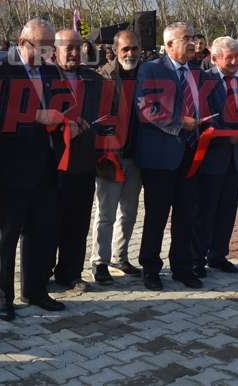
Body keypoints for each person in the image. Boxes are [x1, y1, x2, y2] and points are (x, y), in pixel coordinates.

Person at [0, 19, 66, 321]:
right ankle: (2, 297)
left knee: (41, 231)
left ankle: (36, 289)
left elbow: (60, 103)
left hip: (43, 163)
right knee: (5, 236)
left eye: (49, 47)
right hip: (9, 165)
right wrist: (38, 115)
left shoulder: (49, 69)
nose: (45, 53)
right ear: (21, 42)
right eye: (39, 46)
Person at [135, 22, 203, 290]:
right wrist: (179, 122)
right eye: (186, 39)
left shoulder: (197, 72)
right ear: (170, 44)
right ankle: (150, 268)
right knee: (157, 216)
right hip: (160, 156)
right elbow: (146, 110)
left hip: (191, 153)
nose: (192, 43)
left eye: (193, 38)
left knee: (187, 214)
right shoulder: (151, 70)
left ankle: (182, 267)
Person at [91, 30, 144, 284]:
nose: (130, 53)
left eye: (134, 48)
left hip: (137, 155)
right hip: (110, 155)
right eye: (125, 49)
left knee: (130, 212)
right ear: (115, 50)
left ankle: (119, 257)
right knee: (106, 212)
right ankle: (99, 261)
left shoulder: (148, 74)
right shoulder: (103, 77)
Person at [49, 29, 101, 290]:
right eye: (68, 47)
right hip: (52, 163)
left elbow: (109, 116)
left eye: (77, 47)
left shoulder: (94, 80)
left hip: (84, 161)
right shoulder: (45, 78)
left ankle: (71, 273)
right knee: (49, 222)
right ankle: (41, 272)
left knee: (78, 222)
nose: (73, 53)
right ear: (54, 50)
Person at [192, 37, 238, 275]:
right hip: (212, 156)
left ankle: (218, 255)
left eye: (237, 56)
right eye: (229, 57)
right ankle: (198, 257)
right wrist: (226, 136)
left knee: (227, 209)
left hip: (236, 157)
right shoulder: (205, 81)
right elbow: (203, 115)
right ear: (215, 59)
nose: (235, 61)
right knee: (206, 209)